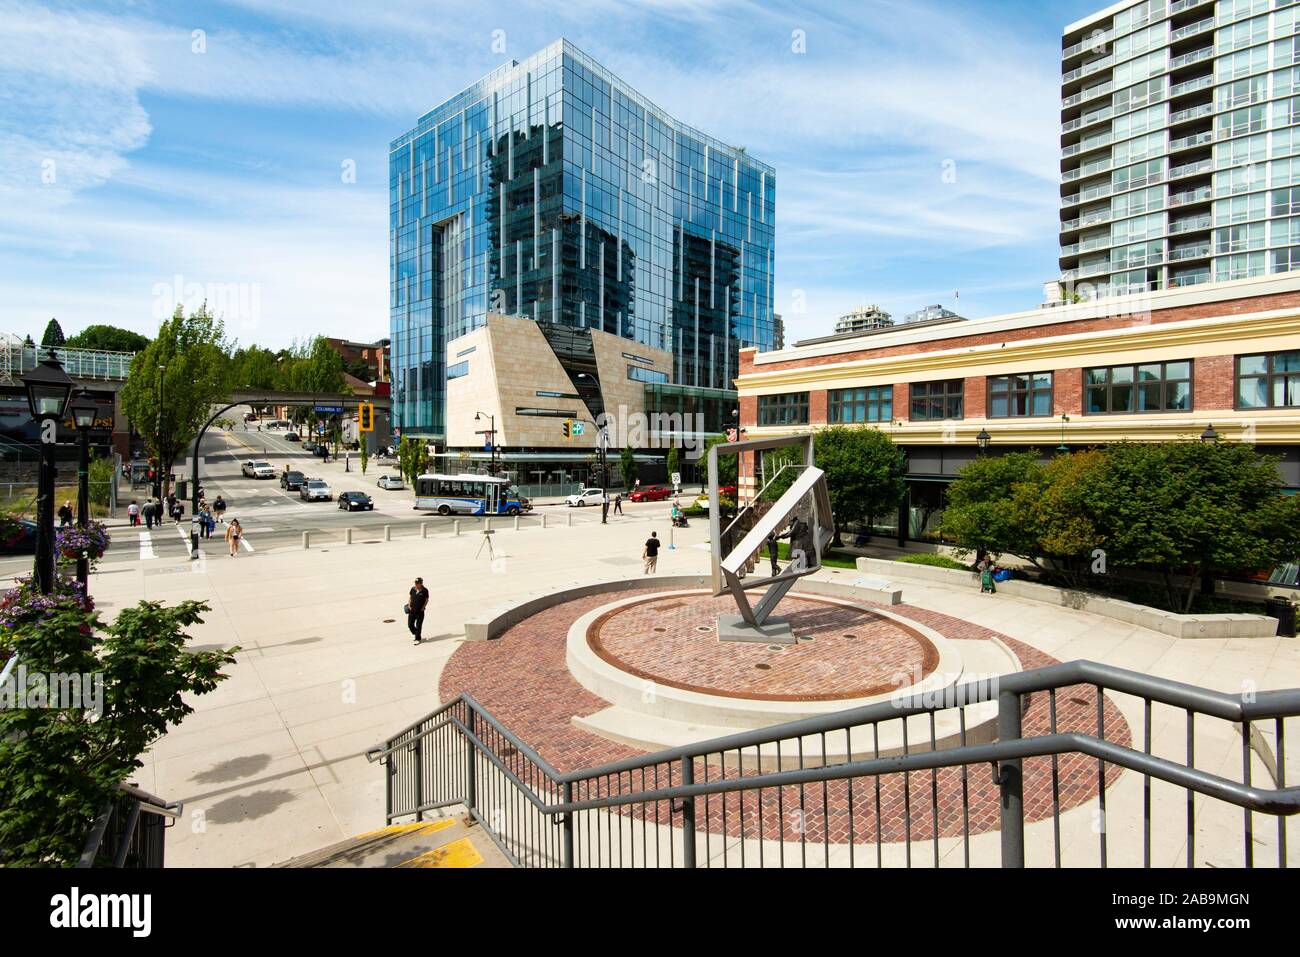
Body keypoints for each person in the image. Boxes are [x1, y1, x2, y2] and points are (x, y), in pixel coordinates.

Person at [407, 577, 429, 644]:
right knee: (410, 625)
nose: (416, 584)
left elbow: (426, 600)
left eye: (417, 583)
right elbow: (410, 597)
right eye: (415, 583)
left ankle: (417, 638)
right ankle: (416, 633)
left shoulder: (425, 590)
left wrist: (423, 607)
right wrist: (409, 605)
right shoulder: (413, 589)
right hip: (412, 610)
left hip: (420, 611)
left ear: (421, 584)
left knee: (418, 625)